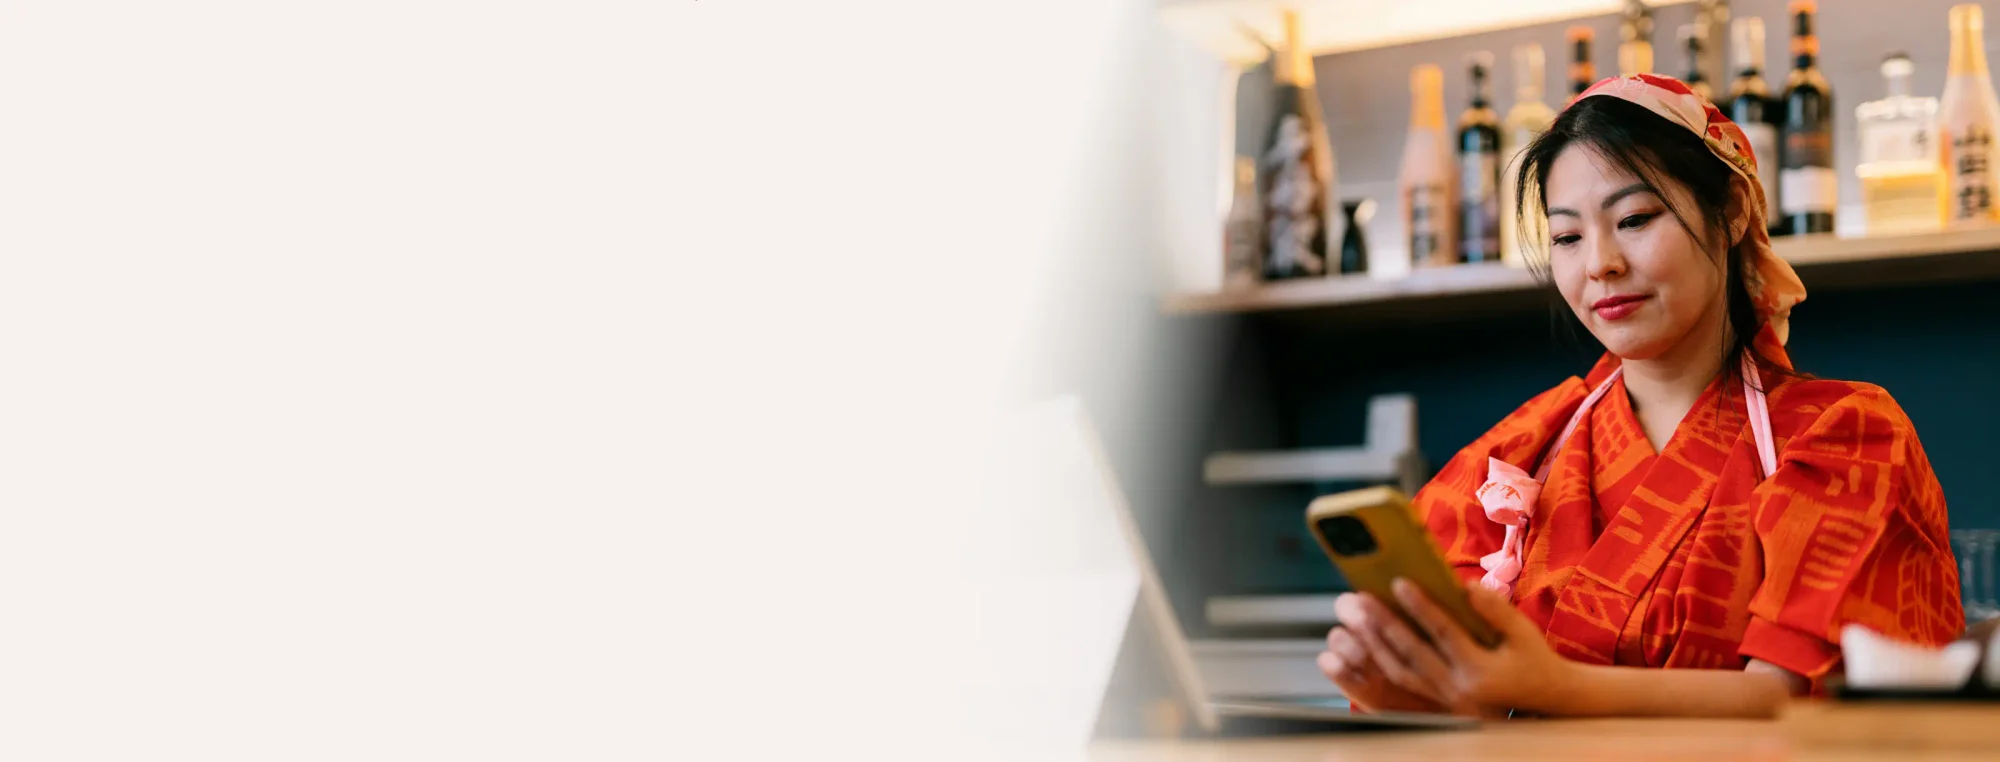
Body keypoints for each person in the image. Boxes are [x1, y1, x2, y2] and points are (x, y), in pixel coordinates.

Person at [1315, 75, 1964, 719]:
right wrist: (1399, 694)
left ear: (1733, 210)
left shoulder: (1843, 434)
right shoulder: (1518, 454)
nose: (1599, 263)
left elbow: (1798, 699)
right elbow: (1461, 699)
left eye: (1634, 219)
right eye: (1567, 237)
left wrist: (1548, 688)